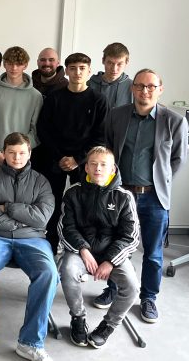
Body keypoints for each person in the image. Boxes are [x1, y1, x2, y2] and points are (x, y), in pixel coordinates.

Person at [94, 68, 188, 323]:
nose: (144, 91)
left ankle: (148, 298)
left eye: (150, 86)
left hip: (154, 198)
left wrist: (159, 183)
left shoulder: (175, 121)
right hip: (121, 195)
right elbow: (108, 151)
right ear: (132, 88)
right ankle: (114, 290)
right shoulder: (117, 116)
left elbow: (177, 160)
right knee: (113, 245)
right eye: (139, 86)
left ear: (160, 89)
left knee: (153, 252)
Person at [0, 132, 57, 361]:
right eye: (11, 152)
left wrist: (7, 207)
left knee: (49, 272)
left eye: (21, 153)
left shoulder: (41, 181)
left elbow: (42, 219)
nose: (17, 157)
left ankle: (30, 342)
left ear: (29, 153)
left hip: (33, 239)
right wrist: (24, 218)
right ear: (4, 153)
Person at [58, 146, 139, 349]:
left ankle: (108, 325)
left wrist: (110, 261)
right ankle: (78, 318)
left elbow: (130, 236)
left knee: (131, 286)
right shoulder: (73, 192)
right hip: (80, 251)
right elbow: (66, 227)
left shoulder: (124, 197)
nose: (98, 169)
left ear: (113, 169)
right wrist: (83, 250)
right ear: (86, 168)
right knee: (67, 271)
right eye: (93, 164)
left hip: (111, 254)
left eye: (104, 165)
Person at [36, 53, 108, 253]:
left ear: (89, 71)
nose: (77, 72)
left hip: (84, 162)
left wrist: (77, 159)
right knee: (52, 203)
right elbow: (43, 130)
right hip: (55, 159)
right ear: (66, 71)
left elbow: (100, 136)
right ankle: (50, 246)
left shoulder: (98, 100)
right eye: (73, 68)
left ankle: (81, 250)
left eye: (82, 68)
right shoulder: (55, 97)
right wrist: (60, 157)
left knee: (84, 205)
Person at [0, 46, 43, 168]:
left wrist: (19, 153)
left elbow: (36, 132)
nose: (14, 68)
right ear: (4, 64)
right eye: (10, 63)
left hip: (22, 158)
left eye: (18, 64)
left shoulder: (36, 96)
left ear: (25, 65)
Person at [88, 42, 133, 108]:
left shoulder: (134, 87)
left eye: (119, 64)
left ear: (126, 63)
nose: (114, 69)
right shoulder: (89, 84)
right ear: (103, 61)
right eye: (110, 63)